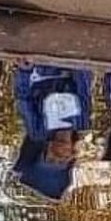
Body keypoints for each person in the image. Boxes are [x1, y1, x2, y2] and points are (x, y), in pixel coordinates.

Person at [12, 63, 92, 200]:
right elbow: (84, 89)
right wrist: (80, 65)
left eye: (50, 158)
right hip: (70, 65)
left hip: (39, 68)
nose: (58, 154)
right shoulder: (82, 123)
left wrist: (24, 71)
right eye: (61, 161)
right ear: (72, 156)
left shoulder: (38, 129)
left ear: (44, 150)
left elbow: (23, 98)